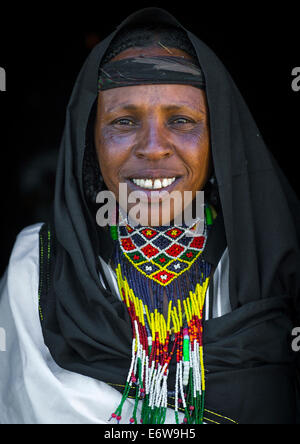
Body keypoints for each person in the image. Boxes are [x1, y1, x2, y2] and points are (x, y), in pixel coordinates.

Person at [0, 7, 299, 425]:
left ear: (220, 141)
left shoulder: (275, 262)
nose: (153, 147)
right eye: (123, 121)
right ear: (91, 143)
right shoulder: (37, 266)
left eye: (181, 121)